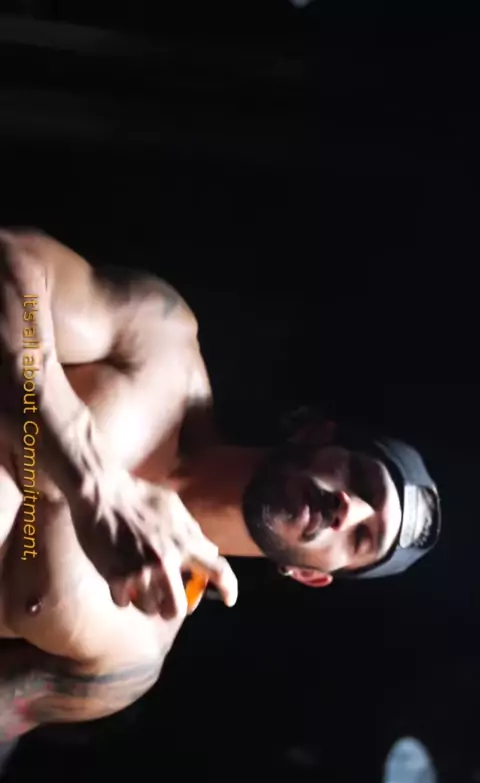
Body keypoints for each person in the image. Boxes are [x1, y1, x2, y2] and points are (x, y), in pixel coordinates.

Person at [0, 230, 441, 742]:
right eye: (362, 479)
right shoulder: (161, 348)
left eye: (361, 538)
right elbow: (14, 260)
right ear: (317, 435)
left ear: (309, 575)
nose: (350, 509)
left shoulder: (132, 652)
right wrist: (92, 479)